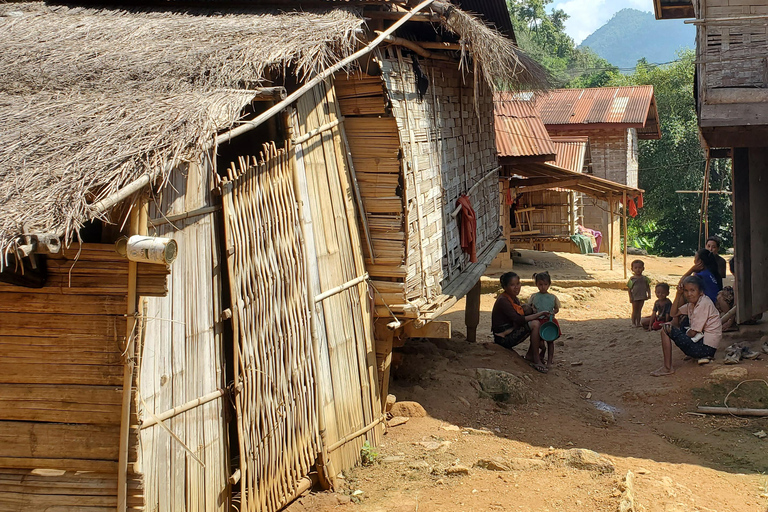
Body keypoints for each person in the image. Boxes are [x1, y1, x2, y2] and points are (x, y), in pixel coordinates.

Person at [651, 275, 722, 377]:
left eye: (692, 290)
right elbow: (673, 314)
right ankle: (690, 354)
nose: (689, 294)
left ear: (701, 291)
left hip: (705, 349)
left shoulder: (703, 304)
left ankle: (667, 368)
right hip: (703, 344)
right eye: (686, 291)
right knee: (683, 321)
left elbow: (693, 332)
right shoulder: (692, 304)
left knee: (665, 329)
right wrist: (678, 295)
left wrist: (679, 335)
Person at [491, 272, 551, 373]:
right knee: (535, 324)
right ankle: (536, 359)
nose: (516, 287)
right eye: (512, 285)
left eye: (518, 284)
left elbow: (522, 315)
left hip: (510, 331)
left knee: (535, 321)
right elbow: (519, 319)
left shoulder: (513, 299)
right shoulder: (503, 300)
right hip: (503, 339)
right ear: (505, 287)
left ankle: (531, 354)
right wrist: (538, 314)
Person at [670, 249, 722, 316]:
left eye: (695, 259)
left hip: (708, 303)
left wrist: (691, 270)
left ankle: (675, 321)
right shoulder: (710, 272)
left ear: (700, 262)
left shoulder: (700, 275)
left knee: (683, 292)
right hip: (713, 302)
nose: (694, 261)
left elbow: (681, 284)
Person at [529, 271, 561, 367]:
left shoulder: (552, 297)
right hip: (538, 321)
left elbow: (556, 308)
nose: (543, 287)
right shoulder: (534, 296)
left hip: (549, 322)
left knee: (550, 341)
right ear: (536, 285)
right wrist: (534, 310)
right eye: (540, 284)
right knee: (538, 341)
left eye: (545, 284)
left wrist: (552, 313)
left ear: (549, 285)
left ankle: (550, 360)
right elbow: (531, 307)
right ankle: (541, 353)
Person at [627, 259, 651, 328]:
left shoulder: (645, 278)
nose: (638, 270)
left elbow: (648, 287)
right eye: (636, 268)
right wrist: (630, 297)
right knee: (634, 310)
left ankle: (638, 322)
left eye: (640, 268)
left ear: (643, 268)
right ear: (632, 269)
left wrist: (649, 294)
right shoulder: (632, 279)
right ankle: (633, 322)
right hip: (635, 296)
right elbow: (629, 289)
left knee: (639, 310)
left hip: (642, 296)